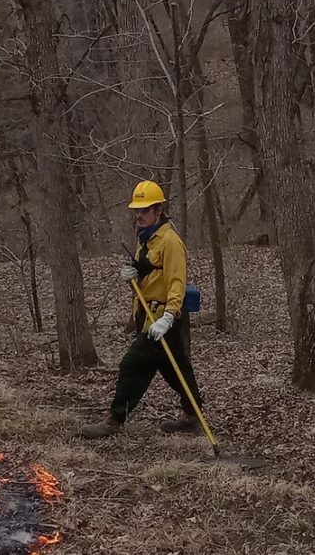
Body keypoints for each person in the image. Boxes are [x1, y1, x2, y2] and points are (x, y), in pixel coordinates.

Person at [81, 181, 204, 439]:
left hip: (164, 318)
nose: (139, 215)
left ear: (159, 210)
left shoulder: (170, 242)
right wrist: (133, 276)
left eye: (145, 210)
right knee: (175, 368)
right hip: (147, 314)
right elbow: (149, 277)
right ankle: (193, 415)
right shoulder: (145, 239)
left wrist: (168, 317)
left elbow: (176, 282)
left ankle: (114, 419)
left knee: (132, 364)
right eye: (137, 210)